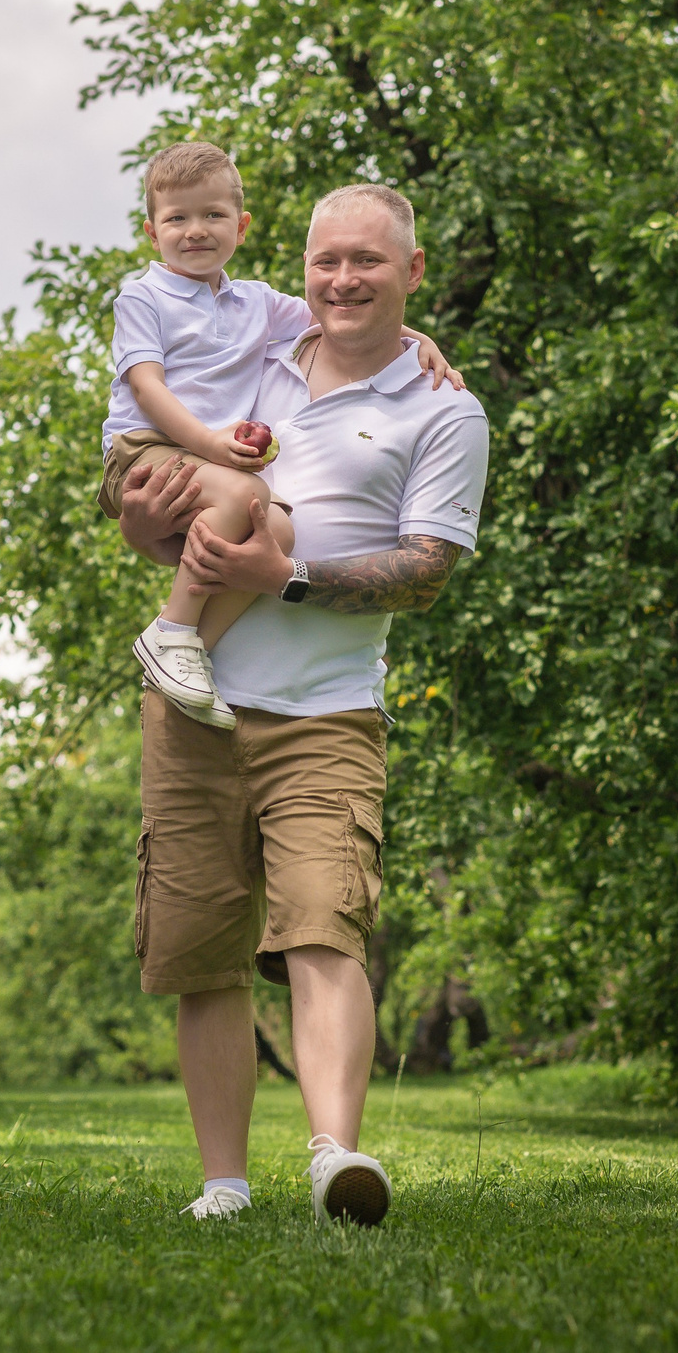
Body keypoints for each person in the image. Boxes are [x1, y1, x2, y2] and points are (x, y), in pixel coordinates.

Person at [114, 182, 486, 1226]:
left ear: (410, 273)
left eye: (368, 260)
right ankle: (223, 1184)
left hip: (325, 712)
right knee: (200, 948)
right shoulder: (249, 361)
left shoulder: (443, 405)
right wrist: (145, 519)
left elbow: (423, 572)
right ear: (301, 265)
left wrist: (286, 574)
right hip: (193, 703)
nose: (342, 279)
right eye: (327, 260)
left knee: (325, 926)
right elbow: (173, 514)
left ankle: (335, 1157)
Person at [104, 143, 452, 728]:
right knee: (250, 497)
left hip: (201, 462)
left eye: (212, 216)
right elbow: (147, 389)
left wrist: (419, 340)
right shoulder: (143, 295)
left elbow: (339, 312)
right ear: (151, 231)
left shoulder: (256, 304)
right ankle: (171, 629)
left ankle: (188, 649)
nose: (195, 232)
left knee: (279, 531)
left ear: (240, 226)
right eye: (177, 219)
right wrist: (211, 447)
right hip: (144, 446)